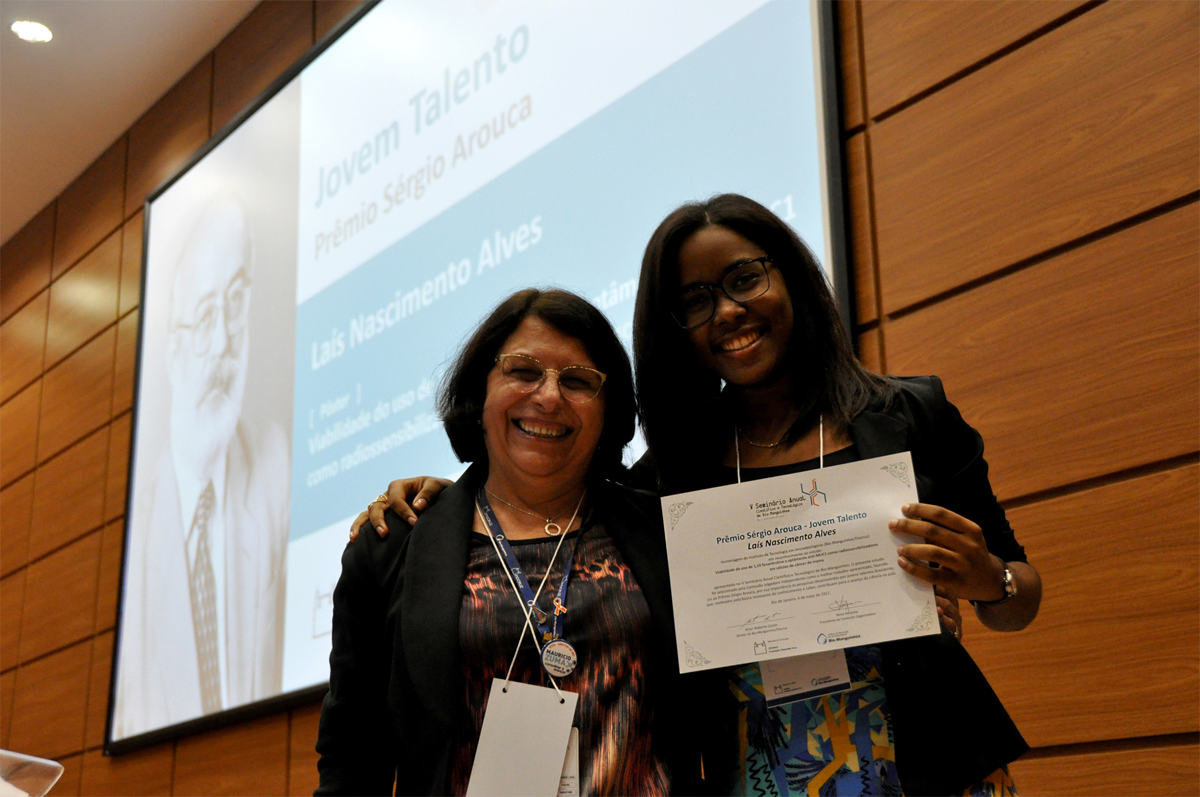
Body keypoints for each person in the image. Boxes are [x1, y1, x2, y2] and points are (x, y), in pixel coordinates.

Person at [354, 195, 1042, 797]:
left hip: (935, 759)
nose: (728, 311)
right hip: (760, 769)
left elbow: (1021, 593)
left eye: (745, 279)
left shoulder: (910, 415)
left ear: (791, 276)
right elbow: (540, 497)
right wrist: (446, 502)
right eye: (695, 301)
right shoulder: (666, 478)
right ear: (674, 328)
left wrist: (990, 579)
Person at [315, 289, 698, 796]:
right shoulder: (392, 547)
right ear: (480, 393)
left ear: (609, 411)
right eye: (523, 371)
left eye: (578, 381)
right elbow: (352, 754)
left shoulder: (665, 529)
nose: (549, 397)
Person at [114, 193, 290, 738]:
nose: (221, 344)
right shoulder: (135, 543)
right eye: (205, 314)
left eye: (234, 303)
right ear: (171, 346)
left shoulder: (277, 468)